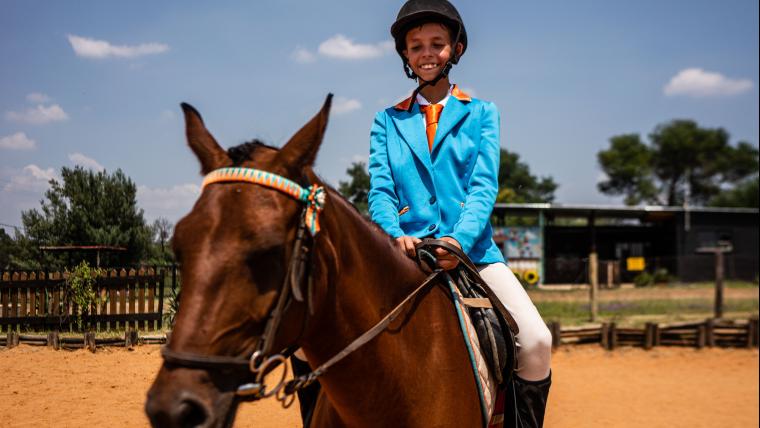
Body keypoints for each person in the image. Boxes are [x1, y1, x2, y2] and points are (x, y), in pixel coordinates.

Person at [367, 1, 552, 426]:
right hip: (406, 250)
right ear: (405, 56)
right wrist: (395, 233)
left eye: (437, 44)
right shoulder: (386, 121)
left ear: (457, 48)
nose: (426, 53)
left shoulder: (483, 113)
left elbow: (482, 188)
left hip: (473, 253)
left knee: (538, 341)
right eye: (416, 46)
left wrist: (458, 241)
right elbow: (380, 189)